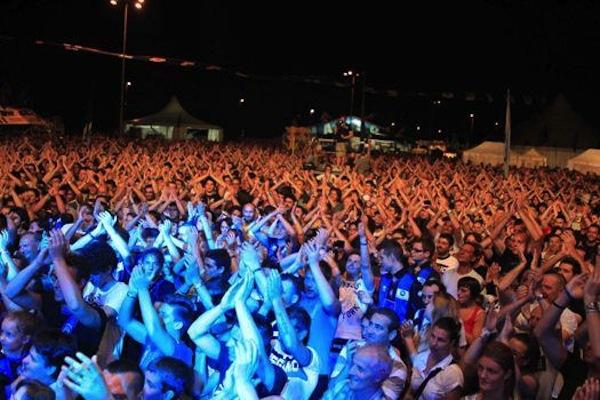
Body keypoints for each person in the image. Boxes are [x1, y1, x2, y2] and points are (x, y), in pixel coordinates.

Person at [408, 317, 463, 399]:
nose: (434, 343)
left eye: (440, 340)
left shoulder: (453, 374)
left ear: (452, 343)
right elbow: (410, 393)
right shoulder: (421, 357)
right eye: (433, 336)